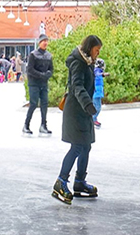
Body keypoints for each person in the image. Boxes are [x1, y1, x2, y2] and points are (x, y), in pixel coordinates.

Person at [52, 35, 102, 205]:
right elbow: (77, 86)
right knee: (77, 146)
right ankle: (60, 181)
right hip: (76, 110)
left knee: (86, 146)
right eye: (97, 50)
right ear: (89, 48)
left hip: (83, 110)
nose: (98, 53)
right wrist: (88, 104)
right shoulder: (77, 62)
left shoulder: (87, 62)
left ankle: (79, 182)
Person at [23, 34, 53, 136]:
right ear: (39, 42)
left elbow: (51, 69)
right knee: (33, 103)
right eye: (43, 41)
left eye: (46, 41)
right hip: (34, 83)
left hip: (43, 83)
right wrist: (41, 75)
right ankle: (26, 125)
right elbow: (30, 70)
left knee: (44, 103)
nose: (45, 43)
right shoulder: (33, 55)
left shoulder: (49, 55)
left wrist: (48, 74)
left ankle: (43, 125)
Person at [92, 58, 109, 129]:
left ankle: (94, 119)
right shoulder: (96, 70)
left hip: (97, 92)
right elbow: (96, 74)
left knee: (96, 106)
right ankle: (93, 119)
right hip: (95, 92)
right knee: (97, 107)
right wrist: (103, 74)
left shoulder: (98, 70)